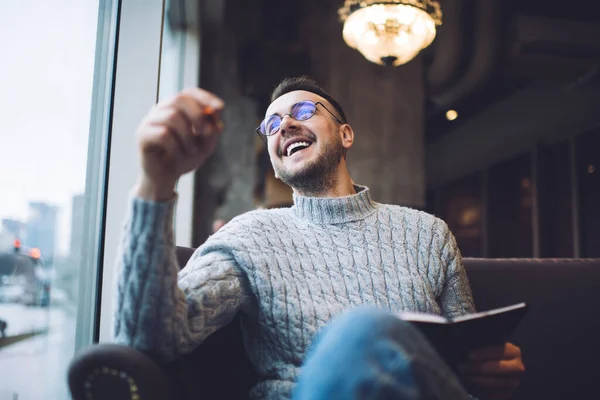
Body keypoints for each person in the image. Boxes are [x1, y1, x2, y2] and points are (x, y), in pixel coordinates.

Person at [114, 76, 525, 400]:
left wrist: (494, 374)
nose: (286, 125)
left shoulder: (428, 233)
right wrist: (157, 182)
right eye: (271, 125)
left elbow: (466, 370)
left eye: (305, 110)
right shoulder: (251, 236)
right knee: (361, 330)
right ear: (275, 163)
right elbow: (151, 338)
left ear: (346, 135)